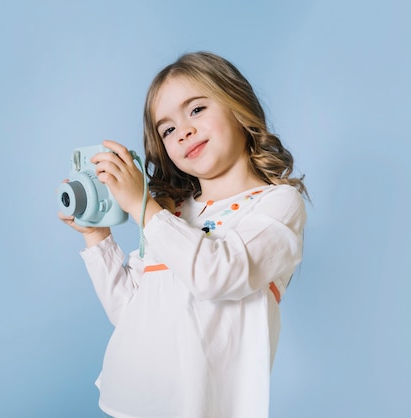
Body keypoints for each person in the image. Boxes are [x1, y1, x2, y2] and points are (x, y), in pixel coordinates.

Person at [58, 51, 308, 418]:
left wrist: (144, 208)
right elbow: (131, 312)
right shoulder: (171, 212)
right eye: (168, 129)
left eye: (196, 110)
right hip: (133, 401)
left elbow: (218, 275)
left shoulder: (277, 204)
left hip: (206, 407)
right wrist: (97, 236)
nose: (184, 131)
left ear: (238, 106)